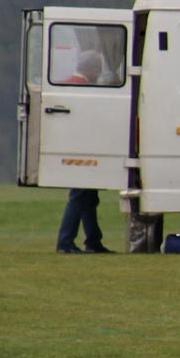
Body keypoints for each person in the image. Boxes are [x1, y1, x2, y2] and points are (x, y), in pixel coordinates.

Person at [55, 51, 112, 254]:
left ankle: (93, 239)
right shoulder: (83, 87)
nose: (98, 73)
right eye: (97, 69)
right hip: (83, 148)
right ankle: (65, 241)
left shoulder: (68, 83)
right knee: (80, 195)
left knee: (88, 196)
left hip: (76, 146)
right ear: (90, 69)